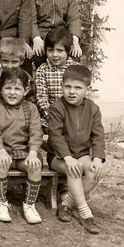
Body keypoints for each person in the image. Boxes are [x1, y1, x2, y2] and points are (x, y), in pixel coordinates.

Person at [48, 65, 105, 234]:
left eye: (78, 88)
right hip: (58, 158)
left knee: (94, 171)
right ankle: (86, 213)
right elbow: (55, 136)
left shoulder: (93, 109)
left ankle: (66, 204)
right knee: (73, 169)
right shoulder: (57, 107)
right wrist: (67, 157)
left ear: (87, 89)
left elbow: (98, 135)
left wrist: (97, 158)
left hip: (82, 155)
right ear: (62, 86)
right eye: (67, 87)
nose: (72, 92)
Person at [0, 68, 44, 224]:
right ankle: (1, 202)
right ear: (1, 90)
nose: (12, 92)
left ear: (26, 90)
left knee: (35, 166)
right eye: (8, 88)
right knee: (2, 164)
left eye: (17, 88)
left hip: (24, 153)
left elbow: (36, 132)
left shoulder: (31, 108)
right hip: (2, 151)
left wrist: (33, 153)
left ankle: (29, 205)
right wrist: (1, 151)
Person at [35, 26, 79, 130]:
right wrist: (53, 118)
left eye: (60, 50)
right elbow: (41, 98)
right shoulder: (43, 70)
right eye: (50, 50)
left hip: (73, 117)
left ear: (68, 51)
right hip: (50, 119)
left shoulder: (76, 69)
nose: (55, 55)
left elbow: (82, 96)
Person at [0, 37, 36, 103]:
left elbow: (31, 98)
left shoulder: (26, 77)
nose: (9, 66)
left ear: (22, 61)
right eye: (5, 61)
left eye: (14, 62)